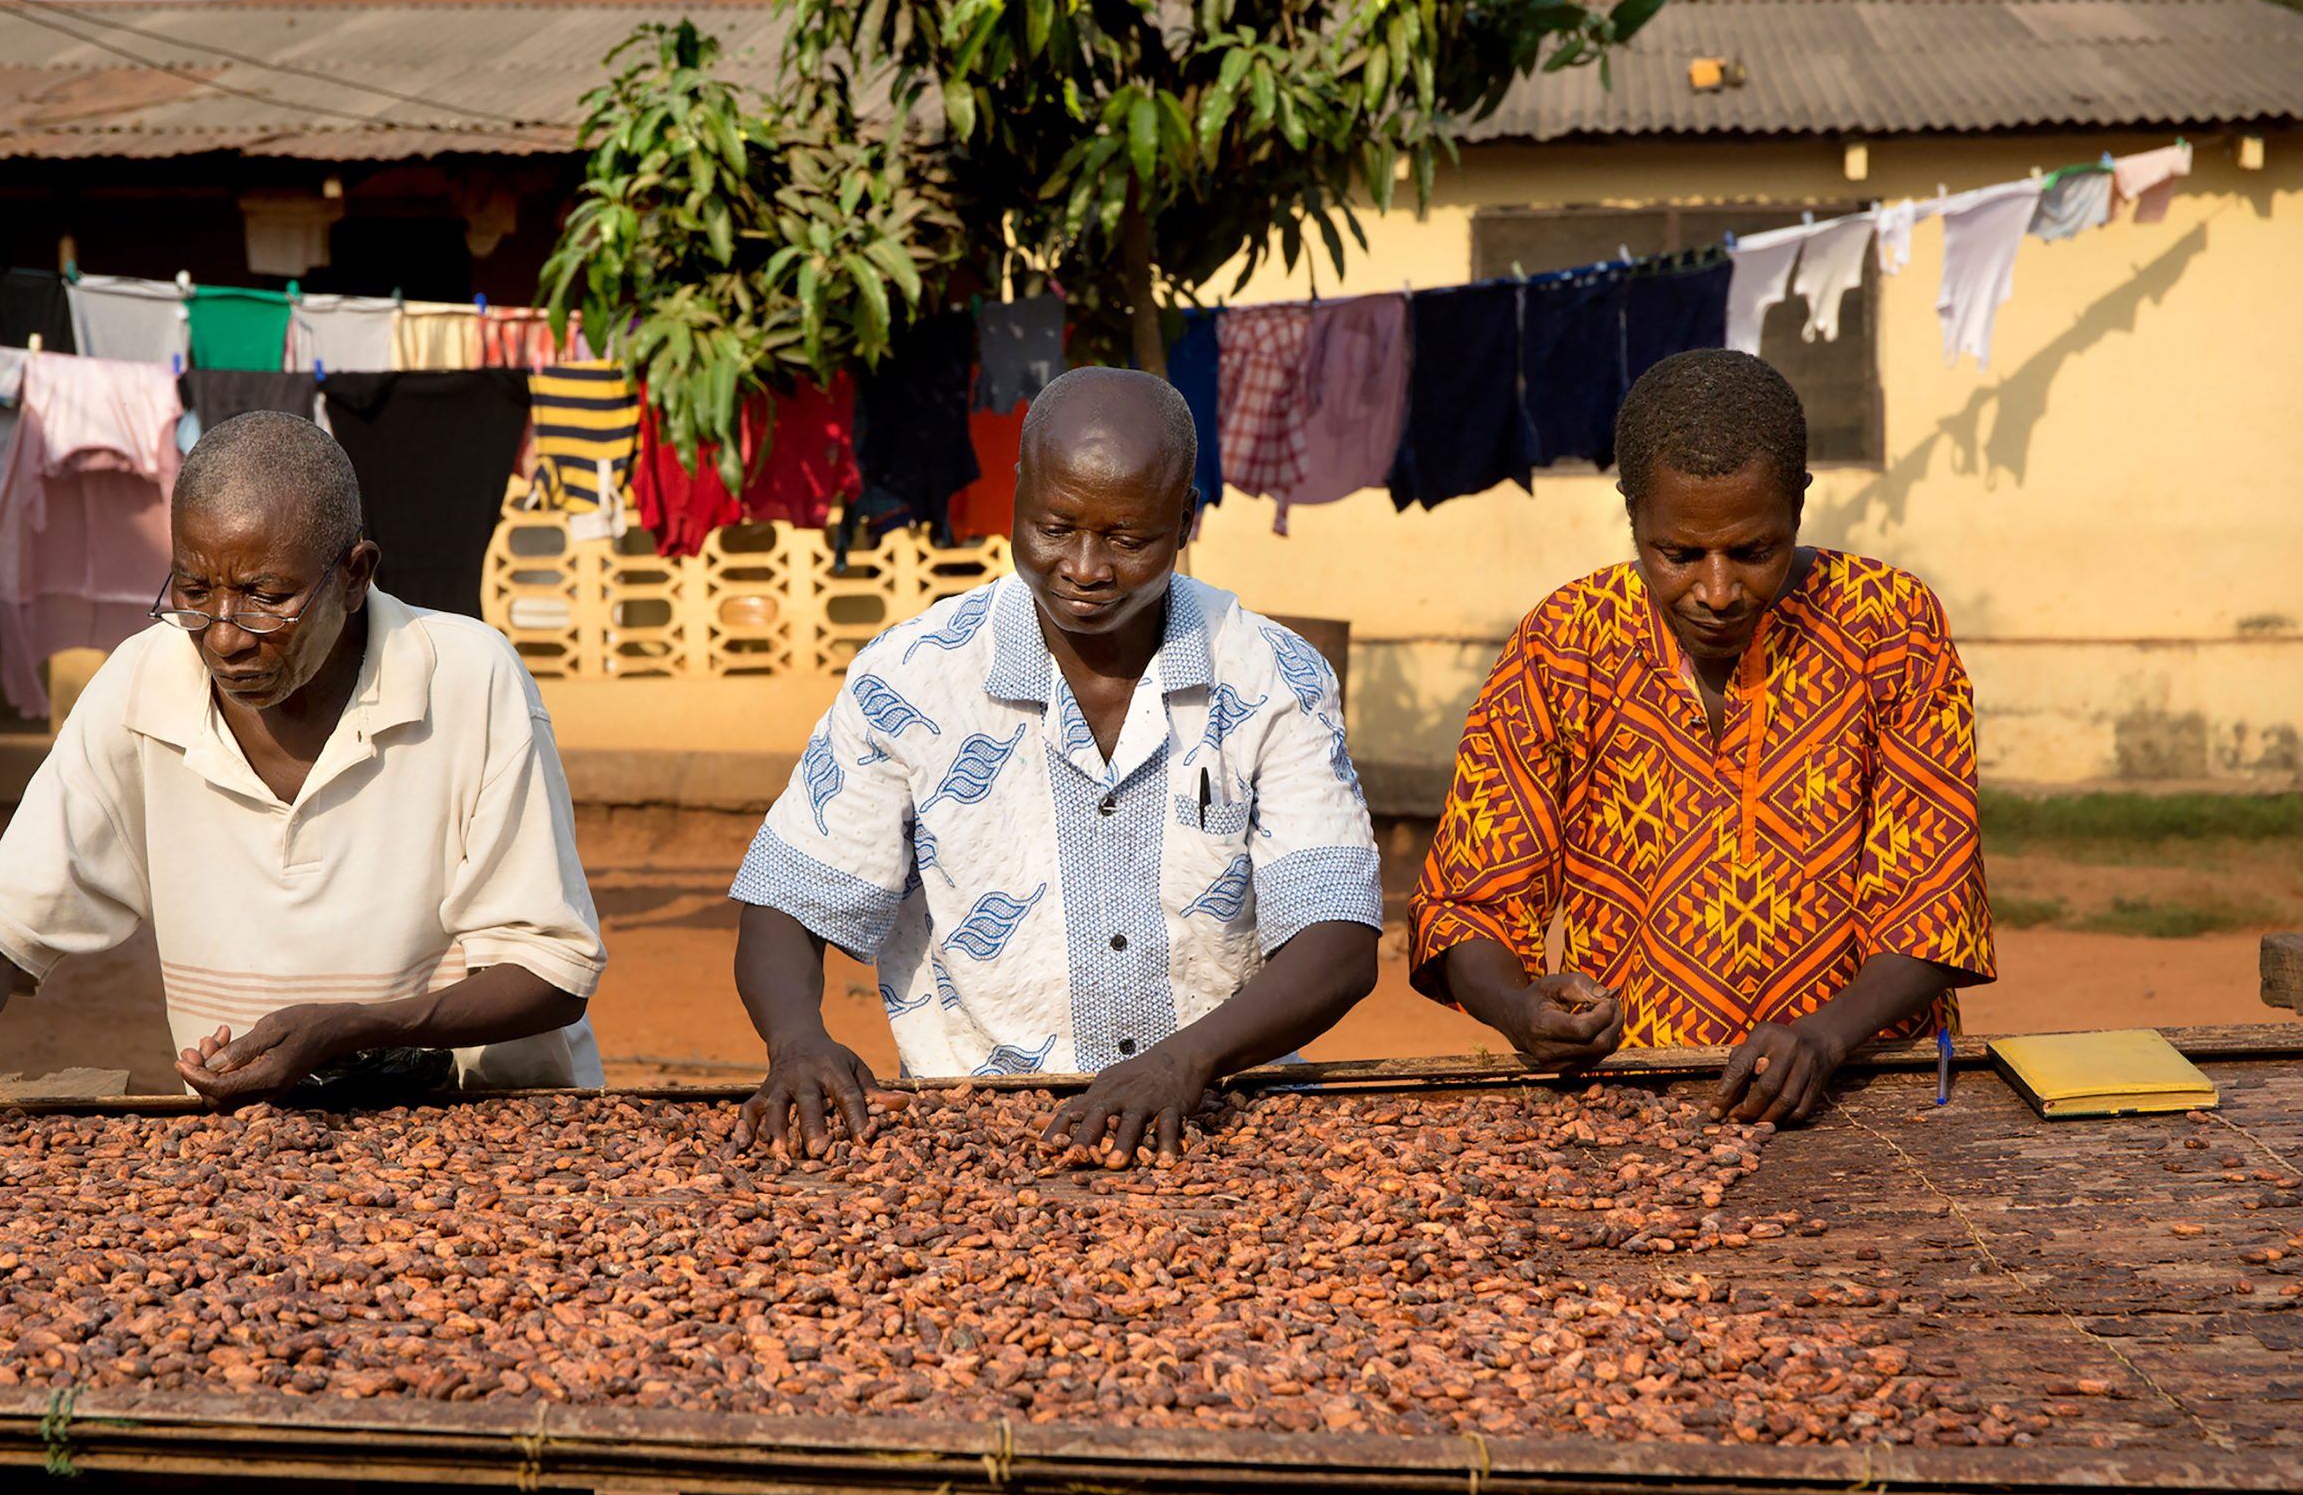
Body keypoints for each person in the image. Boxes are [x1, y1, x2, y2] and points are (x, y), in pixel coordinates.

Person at [0, 411, 606, 1160]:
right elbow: (4, 910)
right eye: (194, 590)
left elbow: (550, 969)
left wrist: (355, 1029)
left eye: (267, 596)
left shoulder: (469, 680)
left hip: (485, 1130)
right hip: (252, 1145)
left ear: (356, 575)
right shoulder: (144, 683)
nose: (225, 635)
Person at [729, 365, 1383, 1165]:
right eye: (1055, 525)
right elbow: (790, 902)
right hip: (977, 1139)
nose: (1082, 567)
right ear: (1016, 496)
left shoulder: (1273, 674)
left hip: (1220, 1123)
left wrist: (1187, 1060)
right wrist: (796, 1038)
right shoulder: (912, 675)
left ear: (1186, 520)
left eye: (1126, 538)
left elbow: (1338, 939)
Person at [1407, 350, 1994, 1125]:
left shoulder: (1890, 628)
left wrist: (1823, 1037)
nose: (1717, 592)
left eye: (1755, 552)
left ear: (1798, 504)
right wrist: (1520, 1008)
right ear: (1633, 516)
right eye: (1678, 555)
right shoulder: (1565, 644)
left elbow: (1933, 900)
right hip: (1634, 1106)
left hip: (1874, 1092)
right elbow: (1468, 904)